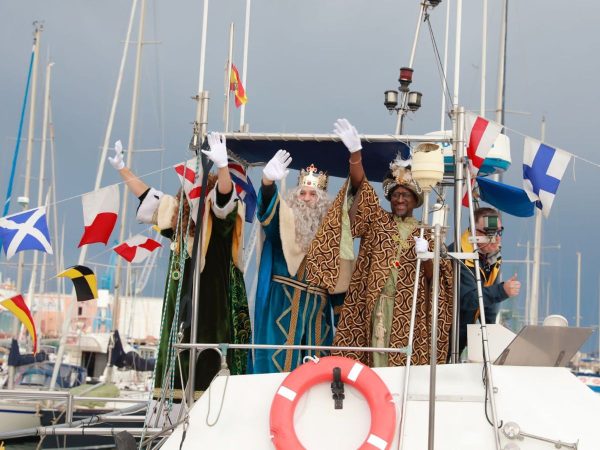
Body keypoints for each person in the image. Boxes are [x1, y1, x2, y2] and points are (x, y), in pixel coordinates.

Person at [108, 133, 251, 398]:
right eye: (187, 194)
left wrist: (221, 168)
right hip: (178, 312)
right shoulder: (180, 227)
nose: (189, 197)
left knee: (205, 367)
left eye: (196, 192)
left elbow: (224, 201)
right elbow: (151, 199)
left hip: (210, 312)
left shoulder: (219, 226)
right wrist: (122, 169)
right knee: (175, 368)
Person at [305, 118, 454, 366]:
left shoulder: (427, 233)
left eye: (405, 195)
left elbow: (436, 281)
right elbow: (361, 187)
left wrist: (427, 255)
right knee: (371, 361)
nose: (400, 200)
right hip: (372, 306)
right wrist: (355, 154)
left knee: (399, 364)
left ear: (416, 200)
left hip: (409, 313)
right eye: (395, 195)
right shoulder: (377, 220)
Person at [251, 150, 347, 373]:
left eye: (312, 195)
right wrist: (267, 183)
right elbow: (268, 216)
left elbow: (339, 282)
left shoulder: (331, 234)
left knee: (317, 372)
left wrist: (342, 321)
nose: (306, 199)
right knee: (276, 370)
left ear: (322, 201)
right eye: (302, 193)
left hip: (317, 312)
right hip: (282, 305)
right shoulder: (283, 226)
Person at [450, 207, 520, 357]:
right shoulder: (459, 255)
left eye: (499, 232)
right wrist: (502, 291)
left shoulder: (492, 256)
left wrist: (490, 334)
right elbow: (467, 299)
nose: (496, 238)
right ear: (475, 233)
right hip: (445, 331)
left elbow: (489, 306)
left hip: (463, 331)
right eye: (490, 233)